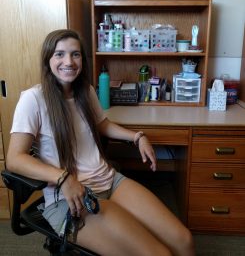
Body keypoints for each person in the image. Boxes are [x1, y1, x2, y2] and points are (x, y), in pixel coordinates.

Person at [6, 29, 195, 256]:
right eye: (59, 54)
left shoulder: (86, 91)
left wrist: (137, 136)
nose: (68, 61)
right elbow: (15, 159)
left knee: (184, 241)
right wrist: (63, 177)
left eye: (75, 54)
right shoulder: (33, 99)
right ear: (48, 59)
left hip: (109, 180)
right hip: (70, 198)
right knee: (158, 254)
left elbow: (102, 125)